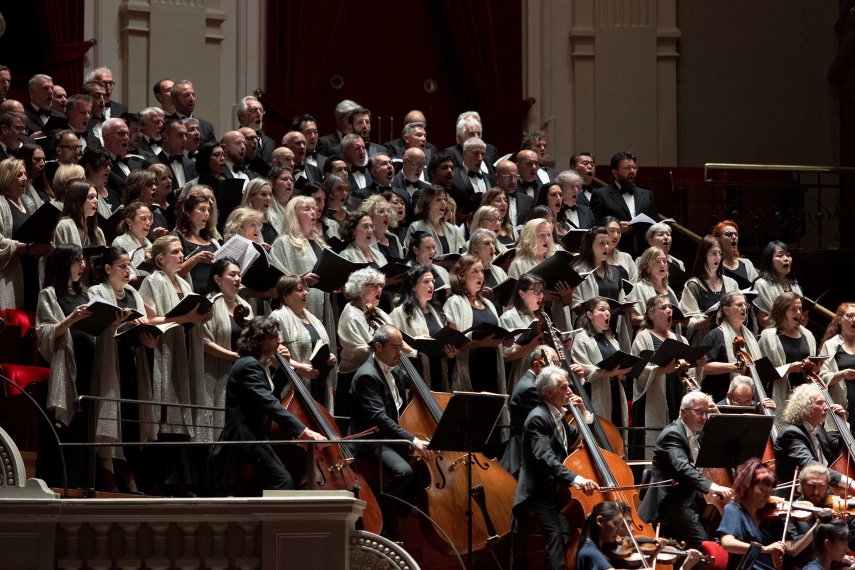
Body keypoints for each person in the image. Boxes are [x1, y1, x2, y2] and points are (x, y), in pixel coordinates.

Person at [210, 316, 325, 495]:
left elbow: (270, 392)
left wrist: (284, 366)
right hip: (245, 438)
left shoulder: (256, 364)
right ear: (260, 339)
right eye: (274, 337)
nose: (279, 341)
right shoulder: (248, 365)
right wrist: (302, 432)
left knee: (281, 481)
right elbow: (269, 403)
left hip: (256, 436)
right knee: (282, 481)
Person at [138, 235, 213, 496]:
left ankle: (183, 480)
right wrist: (186, 317)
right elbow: (149, 319)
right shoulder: (152, 281)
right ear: (160, 259)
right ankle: (160, 481)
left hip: (185, 350)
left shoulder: (183, 281)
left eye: (182, 251)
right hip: (162, 351)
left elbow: (188, 317)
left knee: (182, 412)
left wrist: (201, 316)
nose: (181, 255)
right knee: (165, 413)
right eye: (175, 252)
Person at [349, 324, 436, 540]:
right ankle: (378, 513)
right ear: (378, 346)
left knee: (422, 475)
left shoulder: (395, 369)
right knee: (403, 472)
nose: (400, 353)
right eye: (395, 348)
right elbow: (380, 418)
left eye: (401, 347)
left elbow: (414, 385)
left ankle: (395, 513)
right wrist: (412, 440)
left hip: (390, 437)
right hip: (371, 439)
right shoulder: (367, 376)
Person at [511, 365, 599, 570]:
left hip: (556, 490)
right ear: (549, 392)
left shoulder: (557, 414)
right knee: (556, 533)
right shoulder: (538, 418)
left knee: (566, 528)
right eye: (563, 387)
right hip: (538, 492)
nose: (569, 391)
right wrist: (577, 479)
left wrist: (584, 413)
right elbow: (545, 458)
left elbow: (577, 437)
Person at [88, 246, 157, 493]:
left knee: (130, 418)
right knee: (109, 417)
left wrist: (148, 337)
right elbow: (93, 329)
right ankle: (108, 476)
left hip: (131, 360)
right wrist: (114, 323)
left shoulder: (132, 293)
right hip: (108, 361)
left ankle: (129, 476)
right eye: (123, 266)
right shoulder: (96, 292)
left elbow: (141, 322)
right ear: (108, 268)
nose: (129, 270)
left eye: (129, 265)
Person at [638, 390, 733, 549]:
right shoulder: (672, 434)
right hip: (672, 500)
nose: (703, 417)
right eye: (698, 412)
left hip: (692, 497)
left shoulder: (700, 432)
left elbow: (726, 445)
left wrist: (718, 416)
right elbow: (683, 468)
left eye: (706, 412)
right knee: (703, 544)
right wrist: (714, 487)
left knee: (722, 531)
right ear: (683, 412)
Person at [36, 245, 97, 488]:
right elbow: (45, 332)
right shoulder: (49, 294)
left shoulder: (88, 294)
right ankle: (62, 484)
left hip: (90, 365)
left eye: (83, 260)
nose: (82, 265)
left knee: (85, 428)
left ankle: (83, 484)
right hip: (66, 367)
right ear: (63, 264)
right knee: (66, 428)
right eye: (76, 261)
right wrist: (71, 319)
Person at [501, 345, 587, 478]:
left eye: (558, 363)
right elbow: (555, 422)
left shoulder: (533, 383)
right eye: (553, 363)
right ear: (537, 364)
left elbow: (563, 426)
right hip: (525, 460)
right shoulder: (531, 388)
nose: (557, 368)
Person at [631, 294, 699, 459]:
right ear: (651, 314)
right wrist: (665, 369)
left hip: (677, 392)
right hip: (653, 397)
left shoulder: (681, 338)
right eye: (664, 307)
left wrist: (698, 364)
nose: (669, 310)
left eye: (670, 307)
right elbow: (638, 370)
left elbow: (691, 373)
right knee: (652, 445)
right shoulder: (643, 337)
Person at [718, 458, 816, 570]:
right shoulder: (733, 510)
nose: (767, 497)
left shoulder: (771, 517)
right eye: (763, 490)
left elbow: (793, 550)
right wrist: (763, 549)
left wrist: (817, 525)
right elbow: (727, 543)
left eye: (770, 492)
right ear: (748, 486)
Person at [269, 195, 337, 354]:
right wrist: (301, 281)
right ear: (294, 214)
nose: (313, 212)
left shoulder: (320, 243)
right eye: (307, 209)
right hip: (298, 308)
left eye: (314, 208)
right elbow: (277, 281)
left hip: (323, 304)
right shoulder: (284, 242)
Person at [443, 255, 510, 395]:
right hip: (471, 369)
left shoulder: (487, 303)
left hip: (491, 367)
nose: (480, 275)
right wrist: (481, 343)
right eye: (475, 271)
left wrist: (506, 339)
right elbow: (453, 342)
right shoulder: (454, 302)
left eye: (481, 271)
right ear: (462, 276)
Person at [268, 274, 337, 411]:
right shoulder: (277, 317)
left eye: (306, 289)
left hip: (318, 383)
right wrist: (297, 367)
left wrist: (329, 357)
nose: (305, 293)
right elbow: (272, 354)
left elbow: (319, 346)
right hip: (294, 383)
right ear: (286, 295)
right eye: (300, 290)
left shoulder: (313, 319)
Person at [202, 258, 253, 440]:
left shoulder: (245, 307)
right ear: (217, 279)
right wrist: (234, 357)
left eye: (239, 275)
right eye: (232, 275)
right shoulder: (209, 305)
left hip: (243, 377)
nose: (237, 279)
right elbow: (204, 342)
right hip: (217, 374)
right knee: (220, 430)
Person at [773, 383, 855, 497]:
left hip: (818, 494)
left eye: (825, 402)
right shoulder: (790, 434)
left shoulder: (819, 429)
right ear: (805, 408)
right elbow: (810, 465)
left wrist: (843, 424)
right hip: (795, 499)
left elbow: (837, 447)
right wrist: (849, 482)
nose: (826, 407)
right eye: (820, 403)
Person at [389, 265, 458, 392]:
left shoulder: (436, 312)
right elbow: (392, 345)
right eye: (426, 281)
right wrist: (414, 342)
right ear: (413, 286)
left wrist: (449, 352)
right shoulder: (400, 313)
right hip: (415, 374)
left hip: (438, 371)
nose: (431, 285)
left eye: (432, 281)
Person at [336, 267, 391, 426]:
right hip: (356, 378)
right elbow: (358, 349)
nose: (379, 289)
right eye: (373, 285)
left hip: (377, 376)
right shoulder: (351, 315)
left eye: (380, 285)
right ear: (359, 291)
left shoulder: (379, 313)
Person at [576, 501, 698, 570]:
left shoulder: (599, 549)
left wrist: (655, 553)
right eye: (617, 524)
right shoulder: (590, 553)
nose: (619, 531)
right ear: (600, 521)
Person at [571, 296, 632, 429]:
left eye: (609, 311)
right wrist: (611, 372)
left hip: (616, 390)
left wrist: (623, 372)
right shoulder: (581, 338)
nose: (607, 313)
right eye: (602, 310)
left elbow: (619, 368)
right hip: (595, 391)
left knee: (617, 429)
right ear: (589, 314)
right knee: (601, 431)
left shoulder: (611, 339)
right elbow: (583, 369)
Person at [0, 158, 52, 310]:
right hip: (11, 275)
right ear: (6, 178)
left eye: (24, 174)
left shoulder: (25, 203)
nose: (24, 178)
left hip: (32, 271)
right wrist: (28, 249)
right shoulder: (1, 204)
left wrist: (43, 247)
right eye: (18, 175)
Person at [571, 227, 633, 350]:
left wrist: (624, 306)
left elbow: (621, 297)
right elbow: (574, 304)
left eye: (607, 243)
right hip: (589, 332)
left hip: (613, 329)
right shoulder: (579, 271)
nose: (606, 247)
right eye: (601, 243)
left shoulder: (615, 272)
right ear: (589, 246)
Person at [785, 462, 855, 570]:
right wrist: (819, 523)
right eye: (811, 486)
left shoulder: (836, 507)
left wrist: (842, 525)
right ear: (802, 484)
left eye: (821, 486)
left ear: (827, 486)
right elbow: (793, 551)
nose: (816, 492)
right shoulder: (790, 511)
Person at [589, 151, 658, 256]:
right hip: (614, 252)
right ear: (615, 172)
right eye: (627, 168)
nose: (632, 171)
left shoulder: (647, 195)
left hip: (644, 252)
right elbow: (593, 224)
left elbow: (654, 222)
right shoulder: (601, 194)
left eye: (634, 168)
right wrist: (615, 226)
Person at [759, 292, 817, 416]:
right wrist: (788, 369)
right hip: (779, 394)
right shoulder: (768, 336)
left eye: (800, 308)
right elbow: (762, 373)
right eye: (793, 309)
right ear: (782, 310)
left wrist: (816, 367)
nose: (798, 313)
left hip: (804, 395)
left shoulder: (808, 335)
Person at [512, 218, 575, 331]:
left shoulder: (556, 262)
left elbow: (566, 303)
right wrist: (541, 297)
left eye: (548, 235)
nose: (547, 239)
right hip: (531, 323)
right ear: (529, 237)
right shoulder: (518, 265)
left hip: (557, 320)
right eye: (542, 235)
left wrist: (567, 296)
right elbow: (513, 301)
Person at [680, 235, 742, 346]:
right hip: (706, 342)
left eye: (720, 253)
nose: (718, 257)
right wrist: (712, 319)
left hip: (731, 340)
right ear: (703, 256)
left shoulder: (731, 283)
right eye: (713, 253)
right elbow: (687, 323)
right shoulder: (693, 286)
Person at [700, 291, 761, 402]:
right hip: (719, 396)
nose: (744, 308)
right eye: (739, 305)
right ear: (726, 310)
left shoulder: (750, 336)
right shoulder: (715, 336)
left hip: (746, 399)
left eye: (745, 305)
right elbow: (704, 367)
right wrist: (732, 367)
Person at [500, 273, 553, 393]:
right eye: (536, 291)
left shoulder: (542, 316)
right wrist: (531, 346)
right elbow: (505, 355)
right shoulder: (509, 317)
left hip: (544, 373)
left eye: (542, 292)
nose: (541, 296)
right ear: (522, 293)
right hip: (522, 374)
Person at [628, 247, 684, 333]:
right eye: (657, 261)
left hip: (672, 338)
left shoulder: (670, 290)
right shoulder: (639, 287)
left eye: (664, 261)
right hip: (652, 338)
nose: (662, 265)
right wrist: (661, 320)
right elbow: (635, 319)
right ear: (646, 268)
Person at [818, 302, 855, 427]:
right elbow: (822, 378)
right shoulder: (831, 345)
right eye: (850, 316)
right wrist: (841, 375)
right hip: (841, 405)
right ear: (840, 319)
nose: (854, 320)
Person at [754, 241, 804, 329]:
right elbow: (762, 320)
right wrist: (785, 318)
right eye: (780, 255)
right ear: (769, 260)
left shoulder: (794, 285)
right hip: (773, 333)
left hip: (795, 331)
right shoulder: (761, 284)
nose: (786, 259)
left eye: (788, 255)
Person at [405, 185, 465, 255]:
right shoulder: (416, 227)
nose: (443, 203)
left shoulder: (451, 229)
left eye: (445, 199)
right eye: (438, 199)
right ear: (427, 203)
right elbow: (410, 257)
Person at [467, 228, 509, 315]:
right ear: (474, 248)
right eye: (486, 243)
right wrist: (479, 295)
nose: (492, 246)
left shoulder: (499, 271)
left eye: (493, 243)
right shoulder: (466, 271)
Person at [112, 201, 153, 278]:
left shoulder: (151, 245)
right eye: (143, 218)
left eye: (150, 219)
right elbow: (121, 274)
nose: (148, 223)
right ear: (129, 222)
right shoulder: (119, 243)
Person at [712, 220, 758, 285]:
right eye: (729, 234)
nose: (734, 237)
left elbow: (756, 288)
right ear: (717, 239)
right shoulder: (713, 265)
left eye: (736, 234)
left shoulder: (746, 264)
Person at [80, 147, 121, 219]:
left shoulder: (114, 194)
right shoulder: (83, 194)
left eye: (109, 165)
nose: (108, 168)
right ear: (89, 167)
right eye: (103, 165)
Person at [405, 230, 450, 295]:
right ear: (415, 250)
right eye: (428, 248)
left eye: (433, 247)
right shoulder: (407, 273)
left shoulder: (442, 271)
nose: (432, 251)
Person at [362, 194, 404, 261]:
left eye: (388, 211)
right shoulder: (366, 240)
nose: (387, 214)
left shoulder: (394, 238)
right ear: (371, 216)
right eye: (381, 211)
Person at [238, 178, 276, 245]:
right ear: (250, 197)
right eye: (264, 194)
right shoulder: (242, 222)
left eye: (270, 194)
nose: (269, 198)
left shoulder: (274, 219)